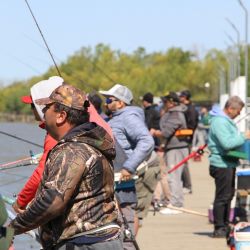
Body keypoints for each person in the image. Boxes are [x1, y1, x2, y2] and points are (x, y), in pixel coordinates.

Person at [9, 83, 122, 250]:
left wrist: (9, 230)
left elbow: (52, 202)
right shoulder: (92, 144)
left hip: (84, 244)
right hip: (105, 240)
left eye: (47, 107)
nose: (44, 112)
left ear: (61, 116)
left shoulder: (71, 151)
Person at [12, 77, 113, 214]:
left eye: (35, 106)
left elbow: (43, 177)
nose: (34, 110)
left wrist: (21, 202)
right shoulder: (87, 120)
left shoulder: (59, 135)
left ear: (60, 113)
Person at [100, 84, 159, 249]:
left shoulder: (128, 117)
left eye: (109, 100)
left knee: (125, 232)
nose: (106, 103)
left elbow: (147, 141)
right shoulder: (114, 118)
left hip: (124, 184)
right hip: (114, 183)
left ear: (121, 103)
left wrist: (128, 167)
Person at [208, 96, 246, 238]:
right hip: (221, 164)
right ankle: (219, 227)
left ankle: (225, 224)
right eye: (238, 111)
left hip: (228, 163)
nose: (239, 114)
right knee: (222, 197)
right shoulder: (220, 122)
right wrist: (244, 136)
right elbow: (227, 143)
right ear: (230, 109)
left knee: (228, 195)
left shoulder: (224, 121)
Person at [151, 92, 189, 214]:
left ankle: (176, 204)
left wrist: (155, 132)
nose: (164, 104)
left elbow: (166, 132)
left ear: (172, 102)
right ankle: (174, 202)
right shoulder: (172, 113)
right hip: (172, 148)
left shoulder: (176, 114)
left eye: (165, 102)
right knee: (173, 177)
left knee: (174, 177)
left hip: (176, 149)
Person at [179, 90, 199, 194]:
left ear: (185, 97)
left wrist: (182, 133)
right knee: (182, 163)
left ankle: (187, 186)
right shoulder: (185, 108)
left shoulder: (190, 109)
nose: (180, 98)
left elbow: (192, 126)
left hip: (186, 140)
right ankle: (184, 185)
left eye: (181, 96)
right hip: (184, 139)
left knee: (184, 163)